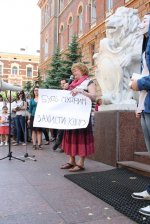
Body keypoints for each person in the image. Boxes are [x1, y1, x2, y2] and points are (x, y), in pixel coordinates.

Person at [130, 12, 150, 216]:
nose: (140, 23)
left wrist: (139, 84)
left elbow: (145, 79)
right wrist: (140, 105)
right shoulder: (145, 44)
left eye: (145, 19)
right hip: (147, 106)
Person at [61, 62, 96, 172]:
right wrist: (65, 89)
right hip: (71, 116)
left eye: (76, 70)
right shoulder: (72, 84)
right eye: (73, 71)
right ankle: (71, 160)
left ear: (82, 70)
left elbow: (94, 97)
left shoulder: (88, 82)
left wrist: (81, 91)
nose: (73, 73)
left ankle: (81, 163)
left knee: (81, 138)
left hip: (82, 116)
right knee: (71, 137)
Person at [52, 79, 67, 152]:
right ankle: (60, 144)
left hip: (68, 114)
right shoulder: (60, 92)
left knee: (63, 131)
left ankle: (59, 144)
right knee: (60, 130)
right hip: (60, 114)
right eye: (62, 84)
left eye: (64, 83)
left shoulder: (70, 91)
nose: (63, 85)